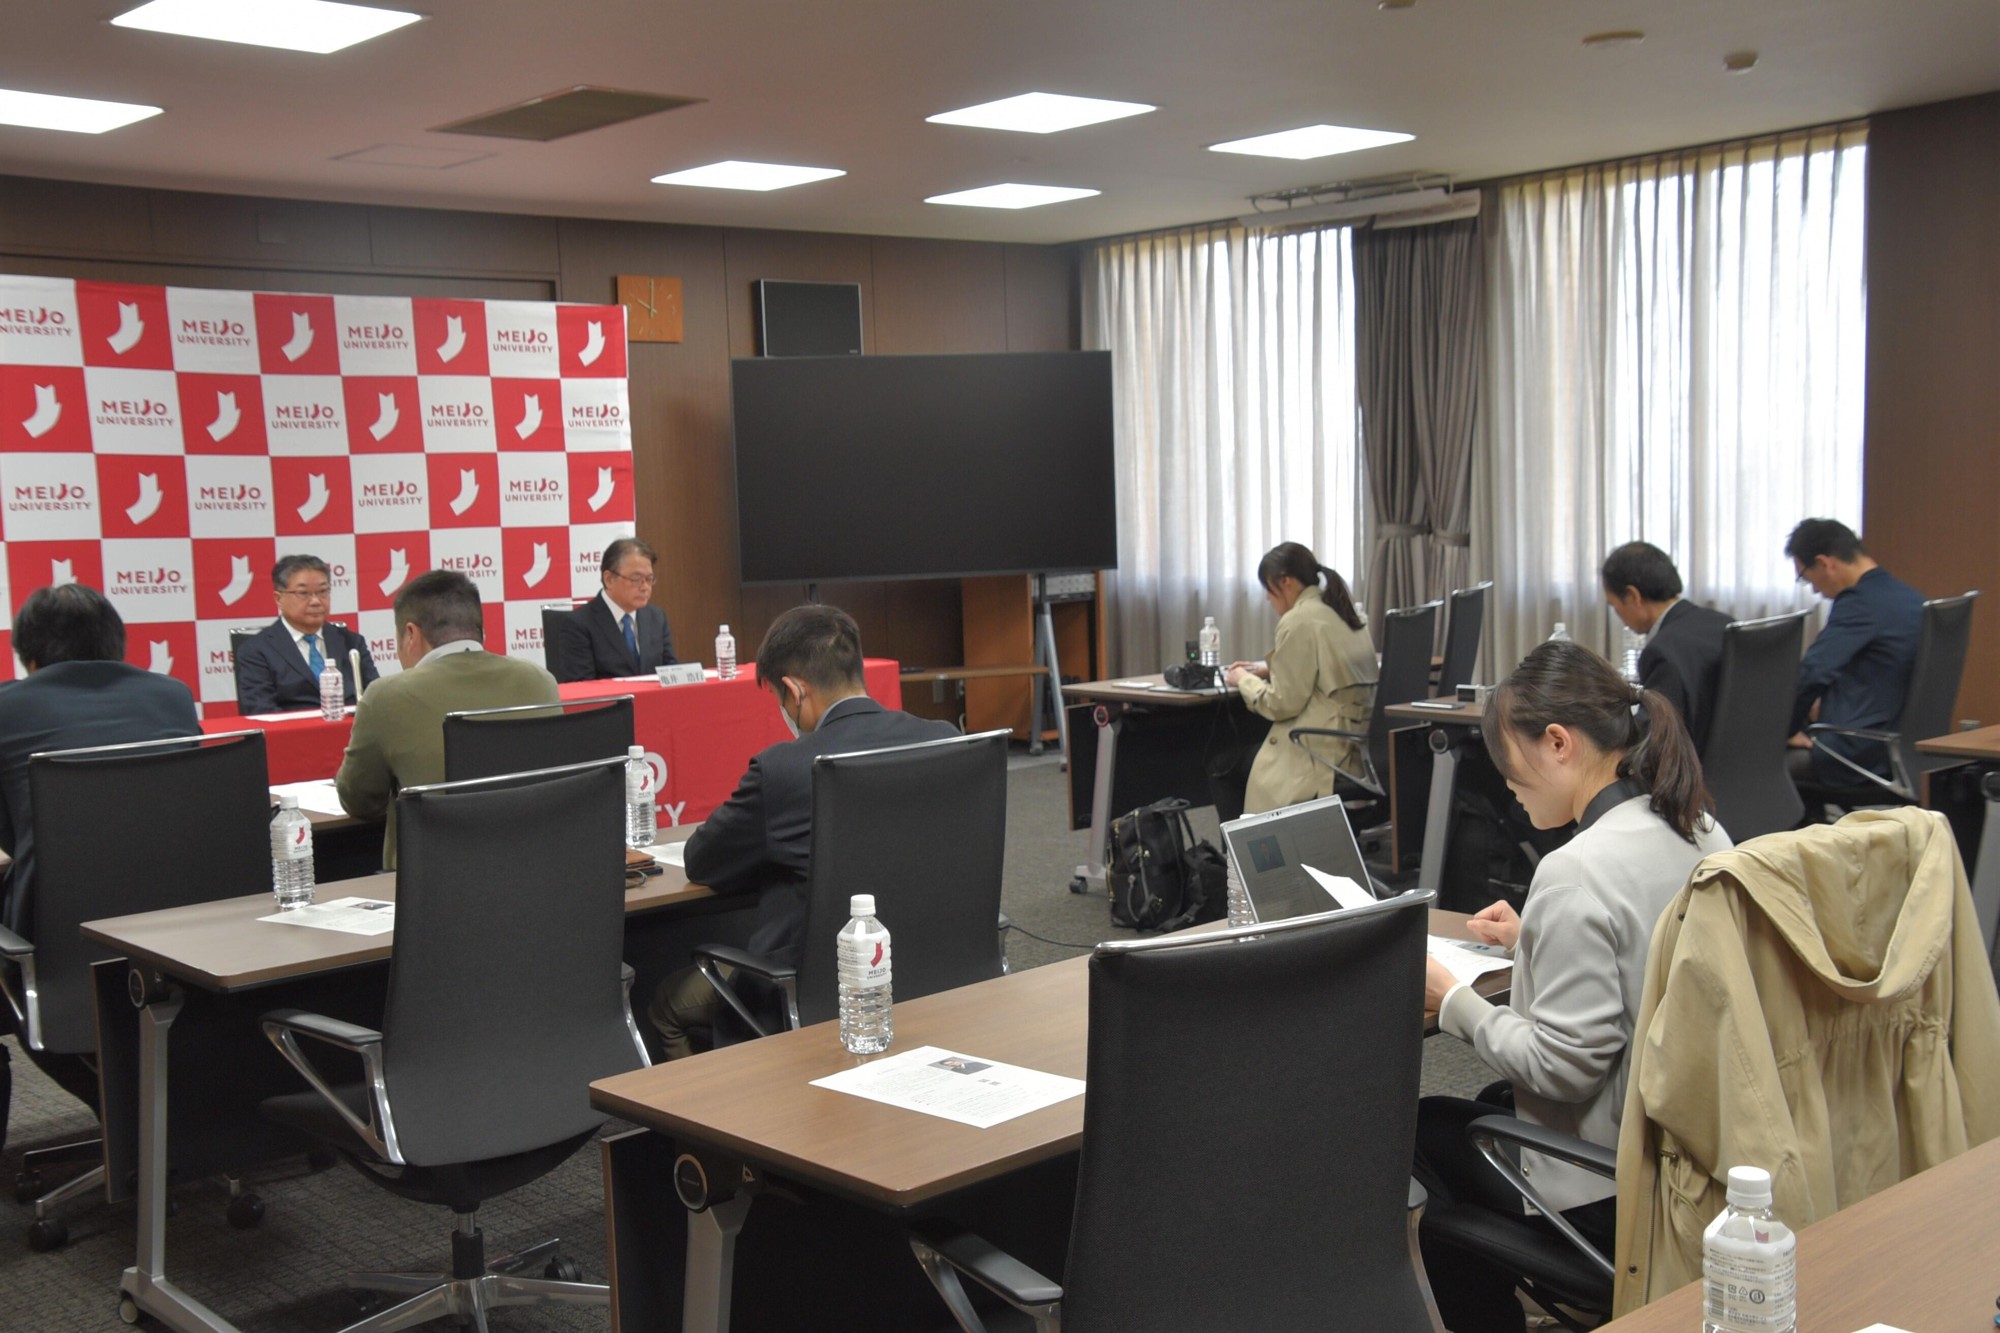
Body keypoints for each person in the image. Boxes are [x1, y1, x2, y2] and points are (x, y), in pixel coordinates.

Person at [1413, 641, 1732, 1333]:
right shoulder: (1700, 827)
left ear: (1558, 742)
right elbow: (1648, 948)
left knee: (1422, 1137)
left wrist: (1456, 1002)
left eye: (1509, 762)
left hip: (1614, 1187)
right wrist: (1535, 937)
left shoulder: (1575, 870)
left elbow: (1563, 1068)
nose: (1507, 782)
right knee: (1481, 1110)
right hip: (1698, 1153)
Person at [647, 604, 956, 1059]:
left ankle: (713, 1106)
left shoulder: (784, 769)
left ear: (793, 690)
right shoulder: (944, 739)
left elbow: (702, 860)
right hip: (935, 970)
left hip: (812, 986)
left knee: (667, 1004)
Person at [0, 584, 201, 939]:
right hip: (184, 920)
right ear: (115, 642)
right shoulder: (173, 695)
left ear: (29, 658)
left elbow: (10, 834)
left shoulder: (8, 708)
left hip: (55, 932)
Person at [335, 569, 558, 868]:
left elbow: (360, 801)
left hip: (432, 878)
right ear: (477, 628)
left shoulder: (386, 695)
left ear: (410, 634)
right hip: (537, 865)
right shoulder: (540, 681)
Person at [1222, 542, 1377, 814]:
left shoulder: (1298, 620)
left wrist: (1243, 679)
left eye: (1268, 589)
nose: (1268, 598)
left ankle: (1244, 842)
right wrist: (1270, 669)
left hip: (1320, 749)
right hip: (1356, 745)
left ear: (1286, 582)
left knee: (1223, 766)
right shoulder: (1343, 610)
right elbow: (1330, 667)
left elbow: (1281, 704)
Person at [1783, 518, 1924, 786]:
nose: (1815, 589)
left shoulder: (1859, 604)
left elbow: (1812, 673)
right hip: (1902, 746)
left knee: (1756, 767)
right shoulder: (1910, 598)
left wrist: (1784, 730)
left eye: (1807, 578)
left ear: (1825, 563)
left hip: (1857, 754)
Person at [1599, 541, 1731, 751]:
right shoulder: (1724, 623)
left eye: (1615, 606)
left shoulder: (1663, 651)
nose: (1619, 616)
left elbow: (1653, 739)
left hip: (1693, 767)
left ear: (1633, 596)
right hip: (1750, 761)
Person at [234, 554, 378, 715]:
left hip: (351, 729)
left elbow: (376, 697)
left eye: (323, 591)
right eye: (303, 593)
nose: (316, 601)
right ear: (279, 598)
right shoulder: (256, 650)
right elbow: (260, 709)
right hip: (292, 730)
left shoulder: (351, 642)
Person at [554, 537, 678, 682]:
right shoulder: (578, 624)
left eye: (649, 579)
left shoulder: (656, 617)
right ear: (609, 579)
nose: (645, 587)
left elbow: (670, 670)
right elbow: (582, 686)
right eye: (636, 579)